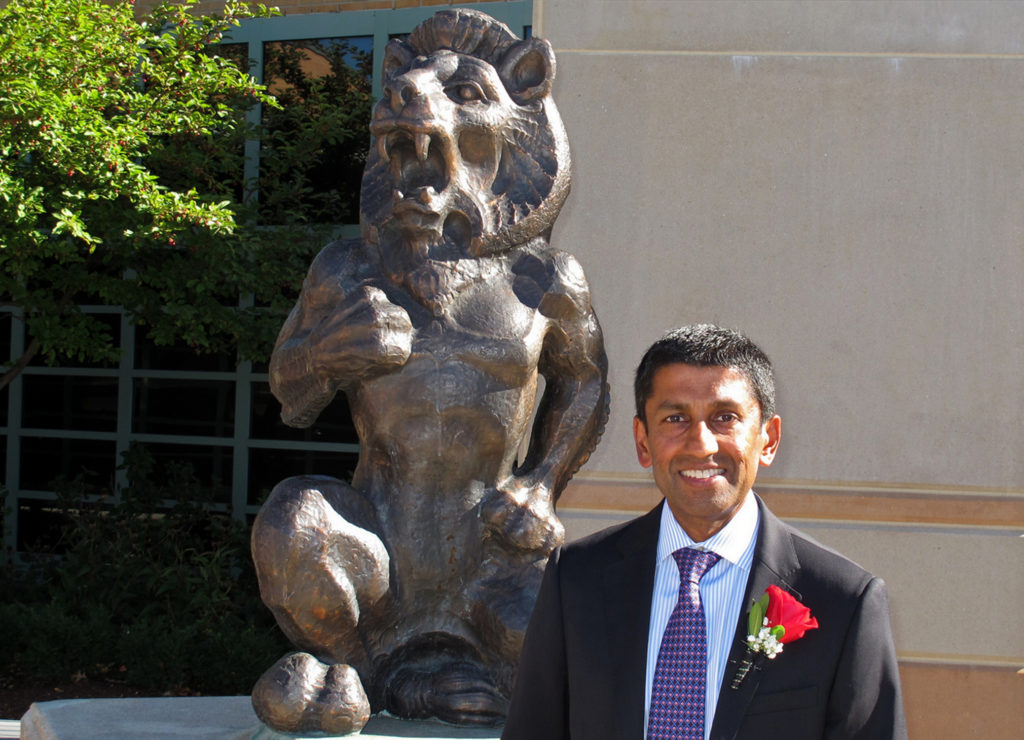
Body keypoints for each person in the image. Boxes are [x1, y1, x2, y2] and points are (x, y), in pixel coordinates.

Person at [502, 324, 906, 740]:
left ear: (768, 440)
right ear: (643, 441)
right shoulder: (576, 580)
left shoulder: (843, 602)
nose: (701, 444)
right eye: (675, 418)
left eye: (724, 418)